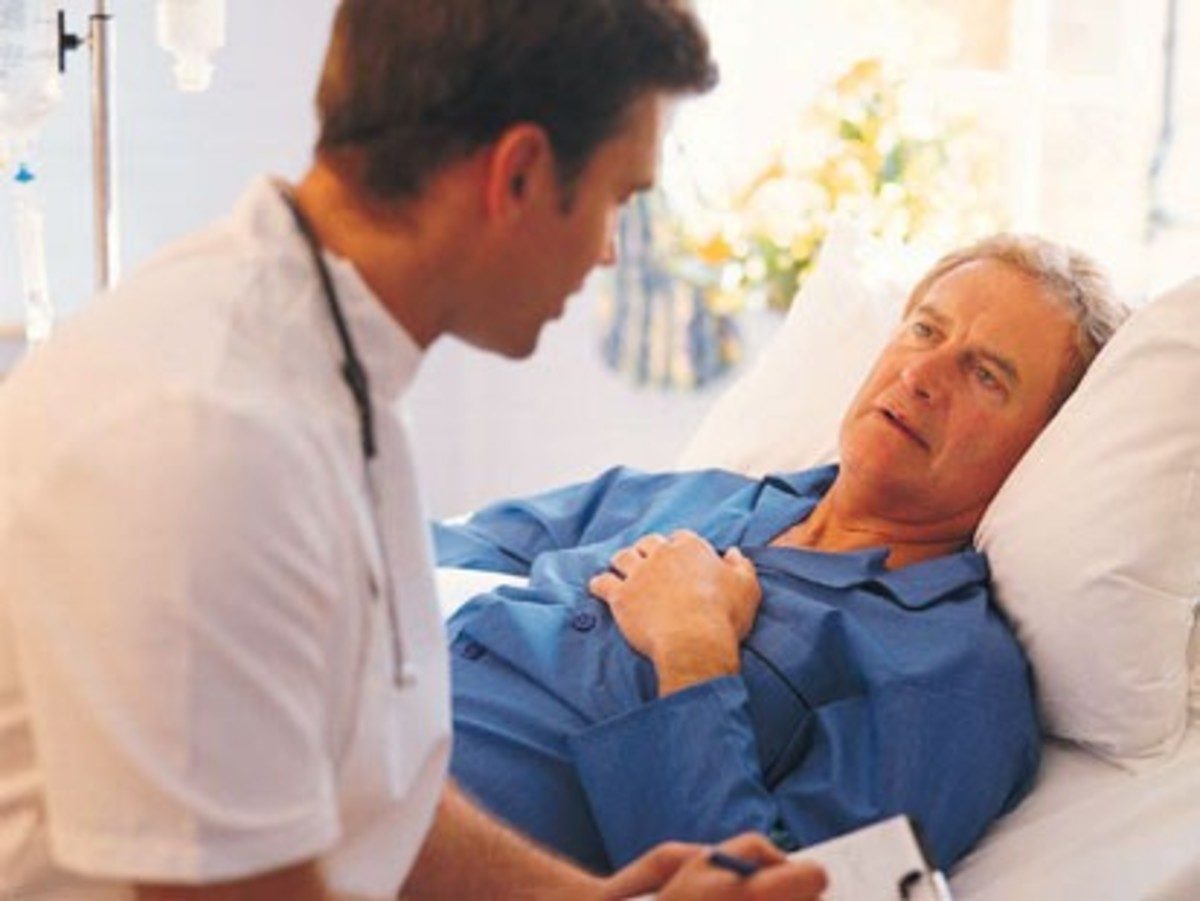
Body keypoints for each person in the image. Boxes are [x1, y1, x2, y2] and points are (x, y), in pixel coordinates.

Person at [0, 2, 828, 899]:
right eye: (617, 200)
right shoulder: (211, 435)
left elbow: (376, 799)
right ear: (519, 173)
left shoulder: (330, 357)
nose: (608, 253)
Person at [436, 235, 1130, 872]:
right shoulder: (700, 494)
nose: (922, 373)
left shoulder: (952, 675)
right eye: (925, 330)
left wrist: (692, 652)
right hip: (379, 743)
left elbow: (770, 889)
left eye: (986, 375)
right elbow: (429, 554)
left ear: (1038, 450)